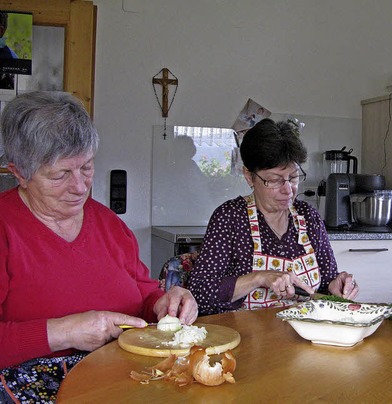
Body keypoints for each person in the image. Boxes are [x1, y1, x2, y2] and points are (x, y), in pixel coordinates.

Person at [0, 91, 198, 402]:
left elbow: (144, 295)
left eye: (87, 168)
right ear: (19, 173)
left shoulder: (109, 224)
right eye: (60, 174)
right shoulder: (5, 229)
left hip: (123, 381)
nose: (79, 187)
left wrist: (166, 303)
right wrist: (64, 332)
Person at [189, 118, 359, 314]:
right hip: (248, 339)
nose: (288, 190)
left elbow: (327, 281)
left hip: (305, 336)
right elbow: (199, 294)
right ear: (248, 176)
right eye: (274, 180)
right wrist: (258, 278)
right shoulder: (230, 218)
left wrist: (336, 285)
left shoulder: (308, 217)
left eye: (293, 177)